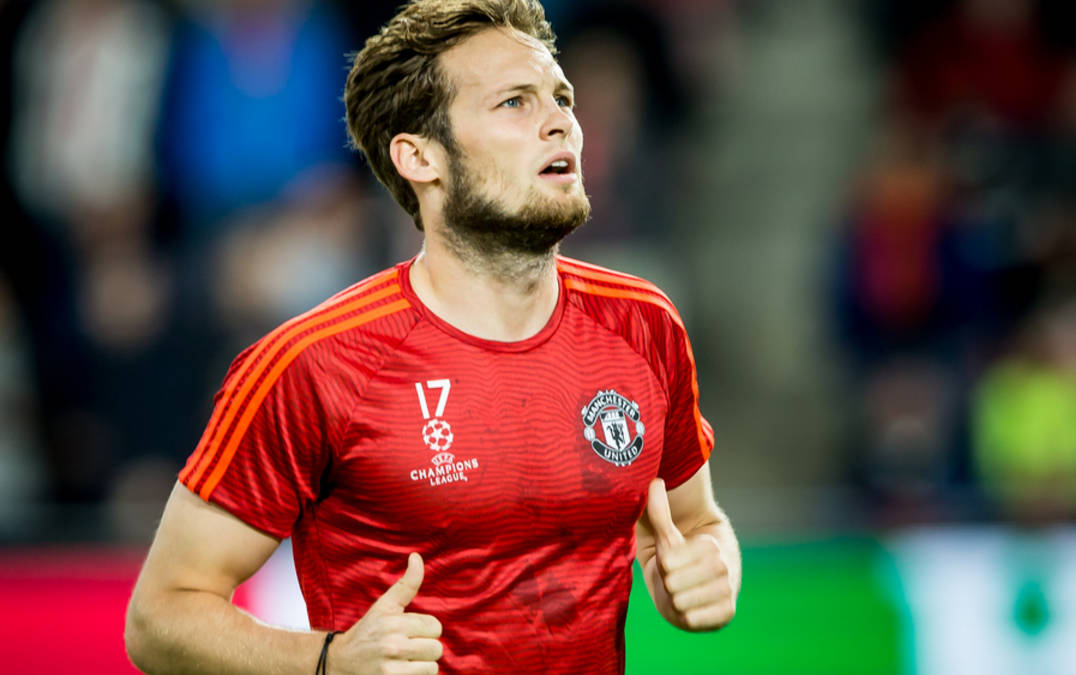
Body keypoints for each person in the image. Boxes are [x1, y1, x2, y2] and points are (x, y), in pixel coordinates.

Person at [124, 1, 741, 673]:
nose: (561, 120)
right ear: (420, 157)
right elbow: (160, 617)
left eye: (560, 97)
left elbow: (697, 523)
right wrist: (329, 659)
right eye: (514, 102)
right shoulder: (312, 365)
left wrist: (709, 569)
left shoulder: (644, 323)